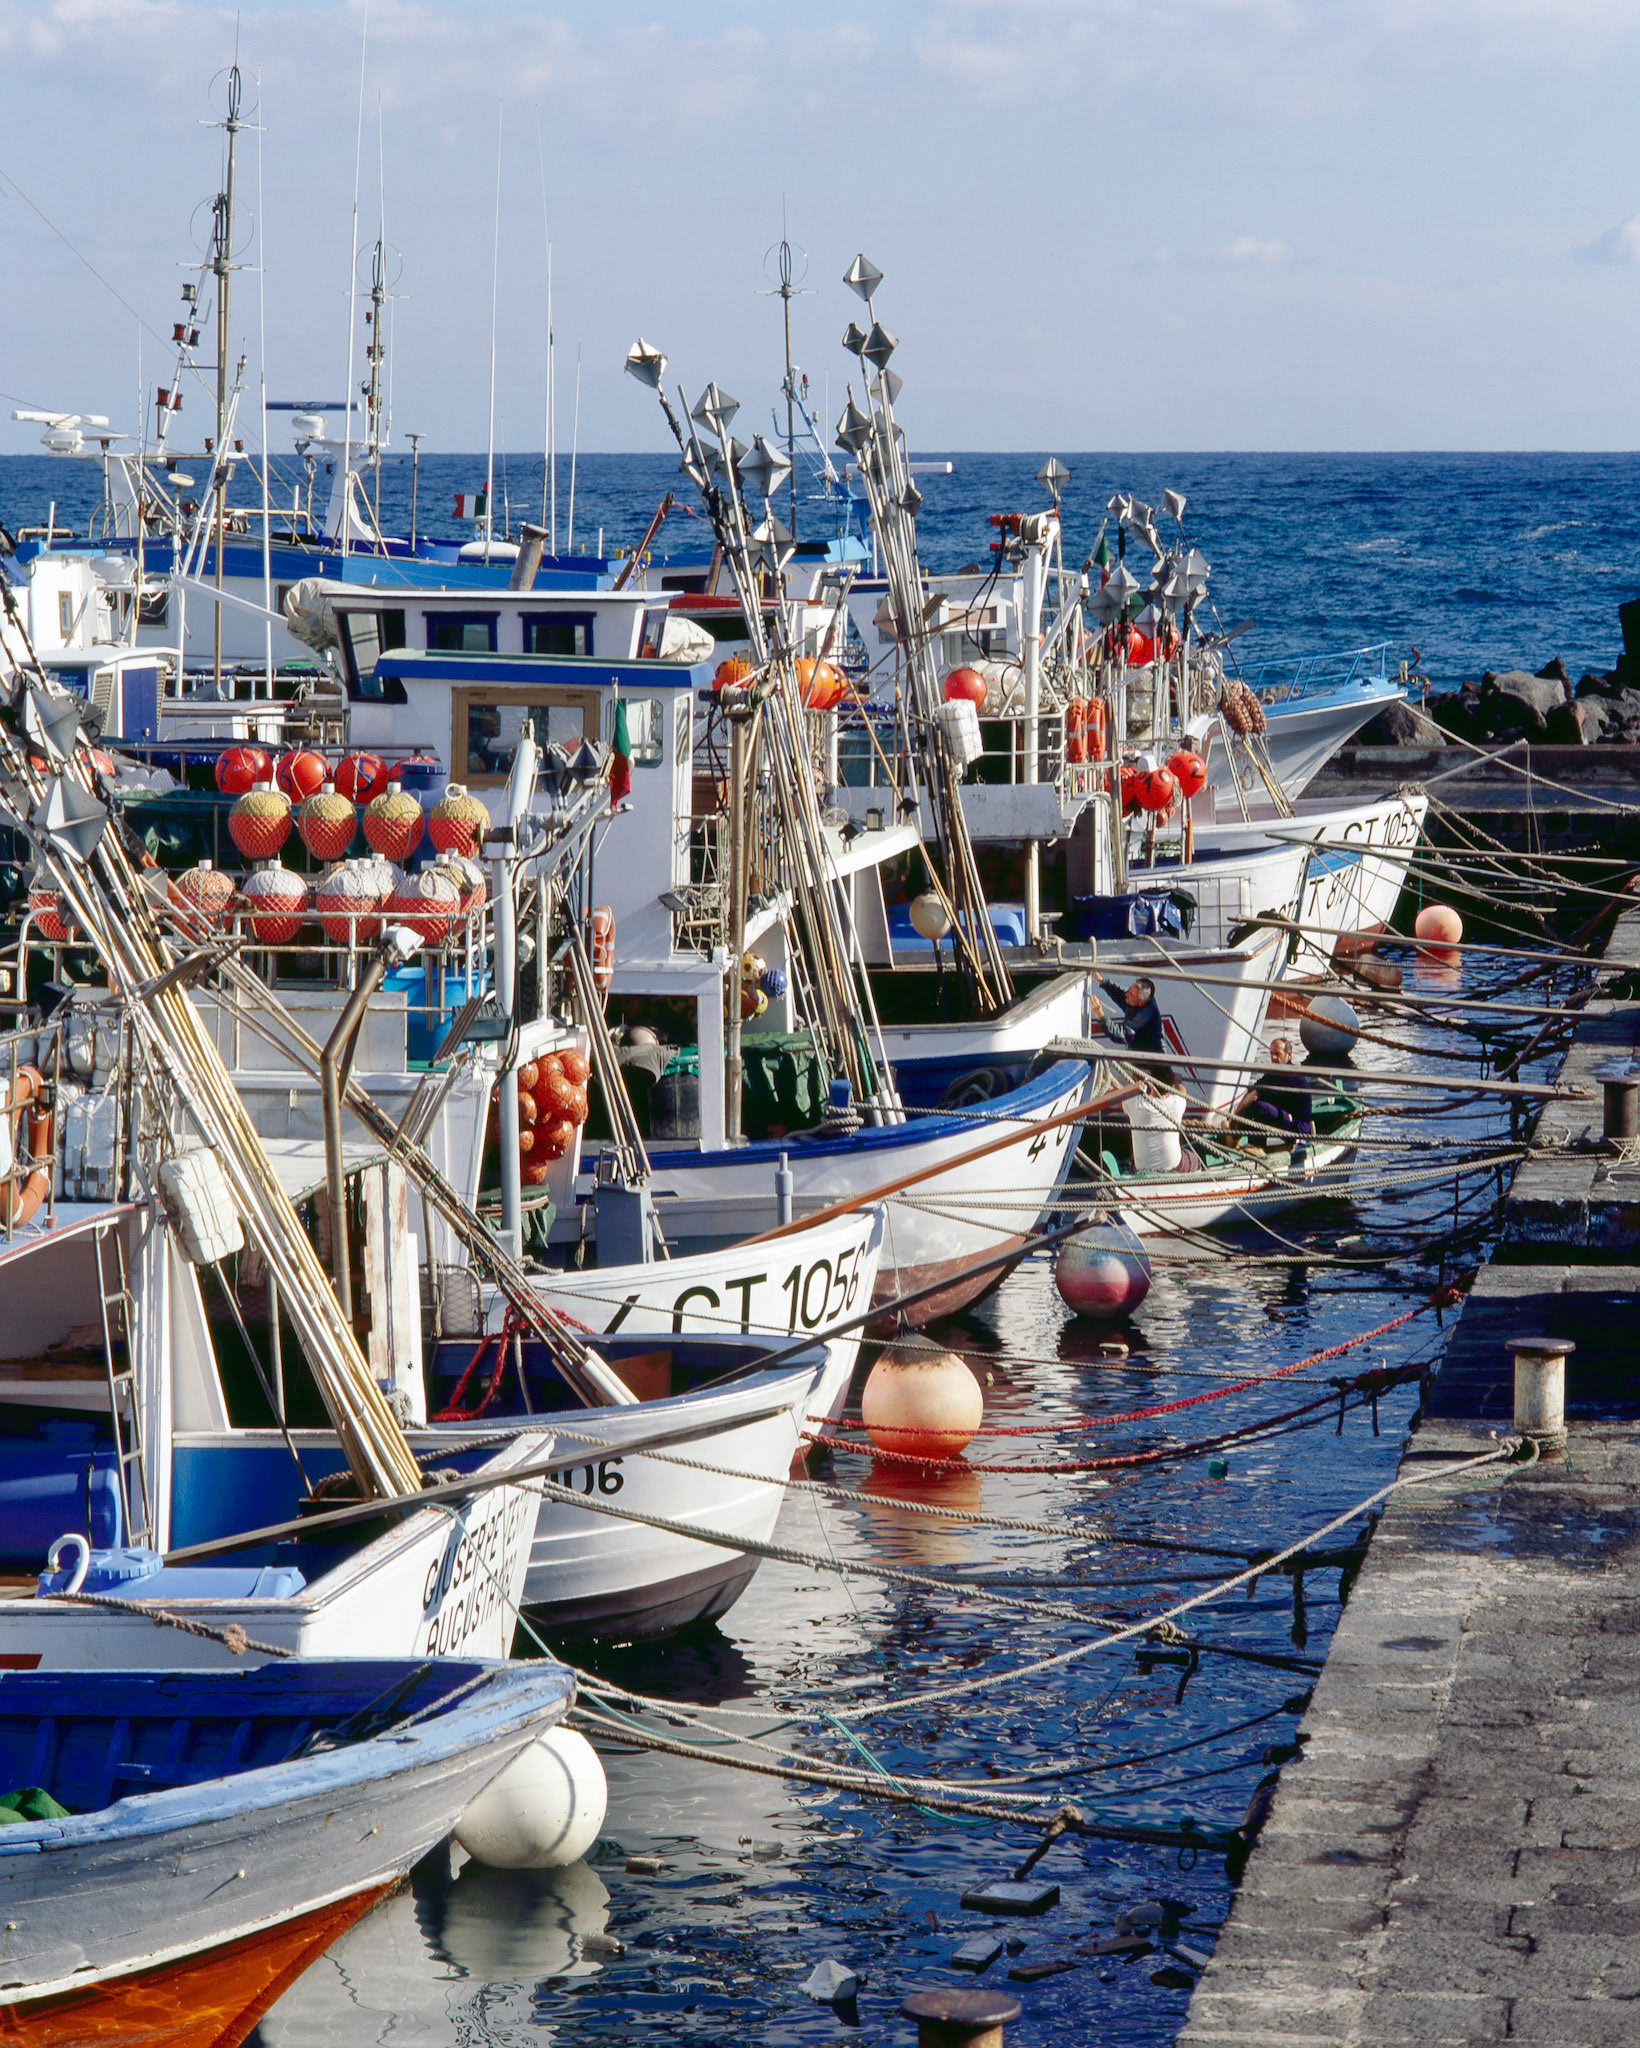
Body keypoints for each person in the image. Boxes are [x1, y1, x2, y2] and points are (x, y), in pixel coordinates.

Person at [1098, 976, 1174, 1086]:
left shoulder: (1144, 1015)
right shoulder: (1138, 1000)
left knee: (1145, 1096)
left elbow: (1120, 1035)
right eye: (1129, 989)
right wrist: (1102, 981)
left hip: (1149, 1066)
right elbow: (1121, 994)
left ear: (1141, 1003)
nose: (1126, 994)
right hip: (1142, 1061)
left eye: (1131, 994)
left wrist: (1100, 1015)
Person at [1245, 1037, 1317, 1136]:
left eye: (1277, 1054)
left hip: (1298, 1127)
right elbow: (1253, 1090)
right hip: (1284, 1120)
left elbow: (1257, 1094)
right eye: (1271, 1053)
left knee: (1260, 1107)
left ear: (1289, 1055)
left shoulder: (1294, 1077)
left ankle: (1257, 1146)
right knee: (1252, 1104)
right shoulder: (1274, 1073)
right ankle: (1234, 1133)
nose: (1273, 1057)